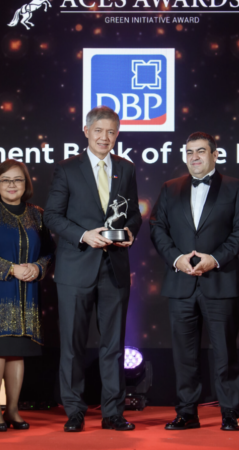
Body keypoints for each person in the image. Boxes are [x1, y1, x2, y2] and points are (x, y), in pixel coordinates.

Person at [43, 106, 142, 432]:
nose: (105, 137)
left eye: (111, 132)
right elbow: (52, 217)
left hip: (114, 268)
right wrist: (84, 235)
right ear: (86, 131)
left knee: (113, 345)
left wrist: (130, 232)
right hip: (75, 268)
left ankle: (113, 412)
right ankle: (74, 410)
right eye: (98, 130)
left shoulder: (126, 169)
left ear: (117, 135)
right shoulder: (67, 168)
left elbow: (133, 216)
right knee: (72, 344)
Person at [149, 131, 239, 431]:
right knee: (184, 353)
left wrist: (215, 258)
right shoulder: (170, 188)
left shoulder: (235, 188)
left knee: (224, 351)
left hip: (220, 280)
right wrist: (176, 259)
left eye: (200, 151)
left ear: (214, 155)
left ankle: (230, 412)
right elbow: (157, 228)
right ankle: (186, 413)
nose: (194, 157)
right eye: (189, 152)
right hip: (180, 281)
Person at [0, 160, 53, 431]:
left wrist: (37, 267)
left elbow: (49, 251)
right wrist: (11, 269)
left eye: (17, 180)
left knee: (17, 352)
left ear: (26, 184)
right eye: (5, 180)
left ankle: (13, 409)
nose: (11, 185)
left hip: (27, 291)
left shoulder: (37, 213)